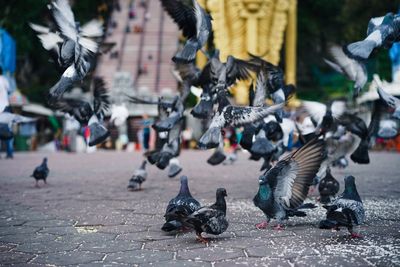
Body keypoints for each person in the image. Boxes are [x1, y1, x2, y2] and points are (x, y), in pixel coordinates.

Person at [0, 66, 13, 158]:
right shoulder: (4, 80)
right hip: (6, 107)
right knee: (7, 130)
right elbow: (9, 91)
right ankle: (9, 152)